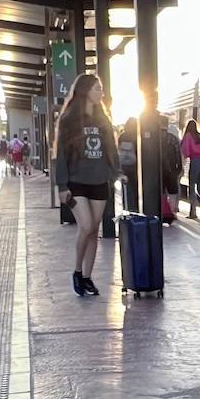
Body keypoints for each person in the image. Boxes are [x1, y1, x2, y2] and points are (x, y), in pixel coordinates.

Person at [55, 74, 120, 297]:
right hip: (76, 182)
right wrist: (62, 185)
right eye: (97, 88)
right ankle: (76, 270)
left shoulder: (103, 119)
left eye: (101, 88)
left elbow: (111, 149)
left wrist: (116, 172)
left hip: (99, 181)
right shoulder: (68, 120)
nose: (101, 92)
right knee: (86, 226)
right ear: (85, 91)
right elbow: (61, 153)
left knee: (94, 230)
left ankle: (87, 278)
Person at [160, 116, 184, 223]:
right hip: (172, 170)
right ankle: (173, 213)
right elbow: (178, 154)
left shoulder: (155, 138)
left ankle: (163, 211)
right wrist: (179, 168)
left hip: (159, 169)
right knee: (173, 192)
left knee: (162, 191)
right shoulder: (173, 138)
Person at [117, 116, 139, 212]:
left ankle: (126, 207)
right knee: (135, 187)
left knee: (125, 187)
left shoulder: (122, 136)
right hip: (135, 166)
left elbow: (118, 150)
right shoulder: (137, 135)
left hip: (123, 166)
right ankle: (136, 207)